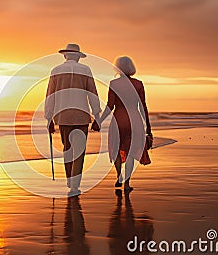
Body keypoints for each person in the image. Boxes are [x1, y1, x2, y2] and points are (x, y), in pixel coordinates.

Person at [45, 43, 101, 196]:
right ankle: (74, 184)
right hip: (81, 116)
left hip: (62, 116)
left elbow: (51, 95)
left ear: (65, 55)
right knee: (79, 151)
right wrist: (97, 116)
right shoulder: (85, 70)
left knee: (67, 149)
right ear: (78, 57)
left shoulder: (56, 70)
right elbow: (92, 94)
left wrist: (48, 118)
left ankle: (70, 179)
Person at [99, 56, 152, 191]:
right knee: (130, 152)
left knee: (116, 149)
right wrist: (148, 128)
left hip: (118, 119)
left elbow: (110, 106)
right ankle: (127, 183)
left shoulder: (114, 83)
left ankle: (118, 176)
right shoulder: (138, 84)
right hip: (134, 120)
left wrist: (99, 120)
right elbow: (143, 106)